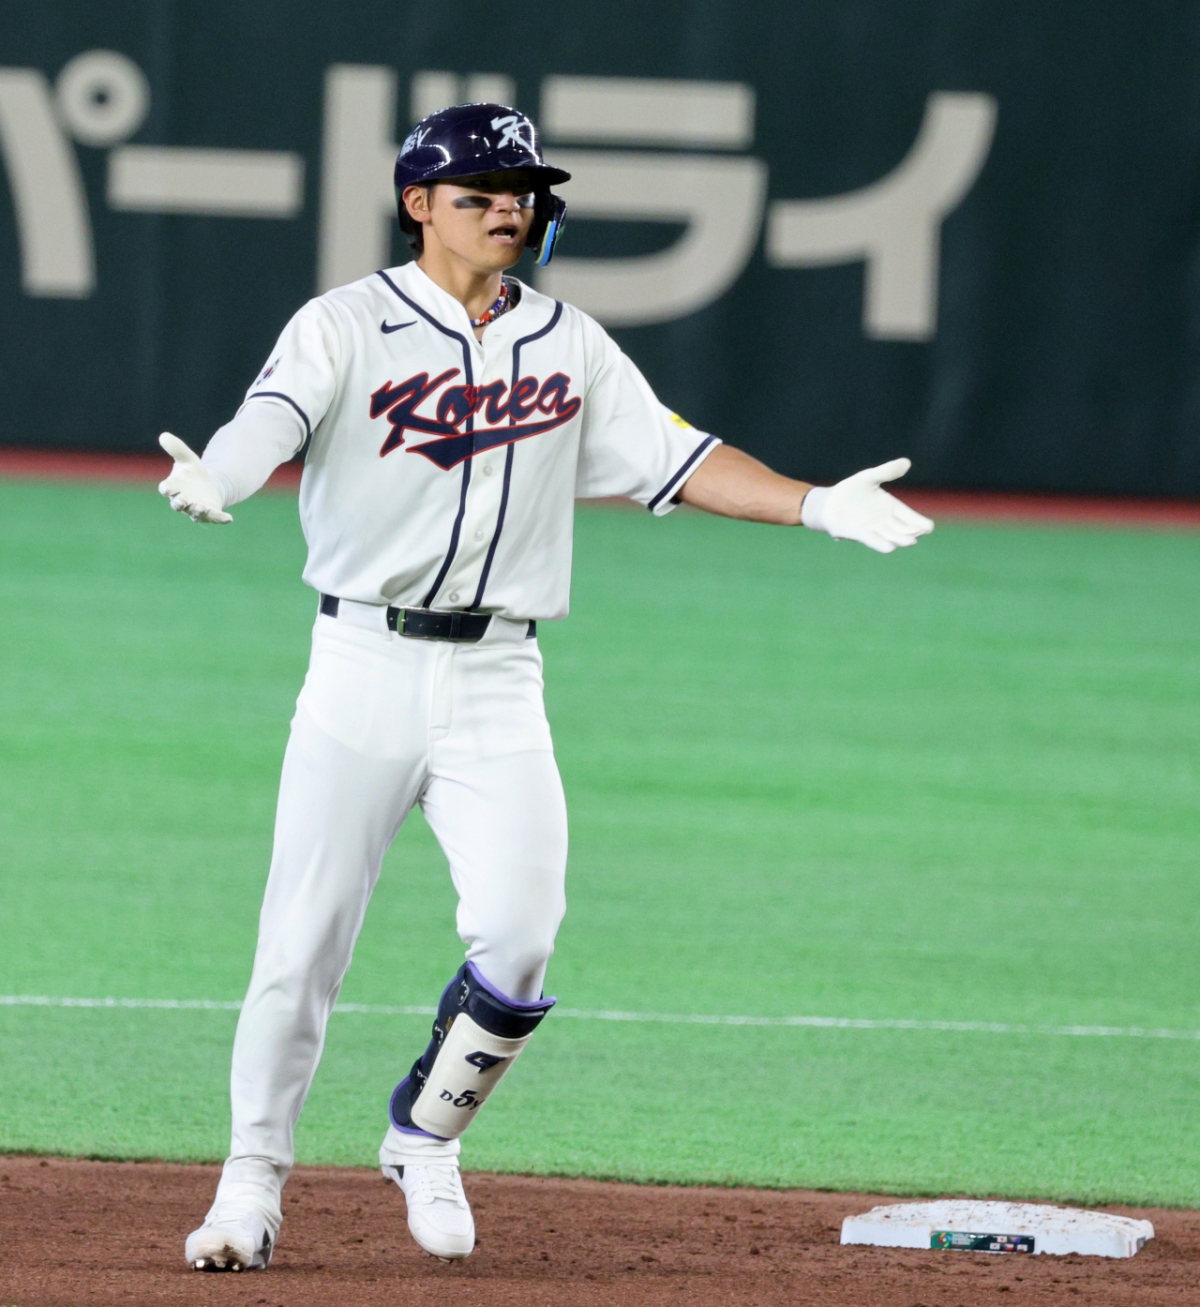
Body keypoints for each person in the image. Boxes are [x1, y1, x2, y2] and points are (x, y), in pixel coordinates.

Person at [159, 102, 933, 1273]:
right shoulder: (346, 322)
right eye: (477, 192)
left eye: (519, 192)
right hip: (362, 665)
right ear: (419, 204)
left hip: (498, 674)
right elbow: (268, 417)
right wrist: (221, 473)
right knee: (301, 942)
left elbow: (681, 458)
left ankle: (425, 1133)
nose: (506, 210)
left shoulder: (569, 342)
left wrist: (815, 501)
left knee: (522, 932)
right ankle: (249, 1183)